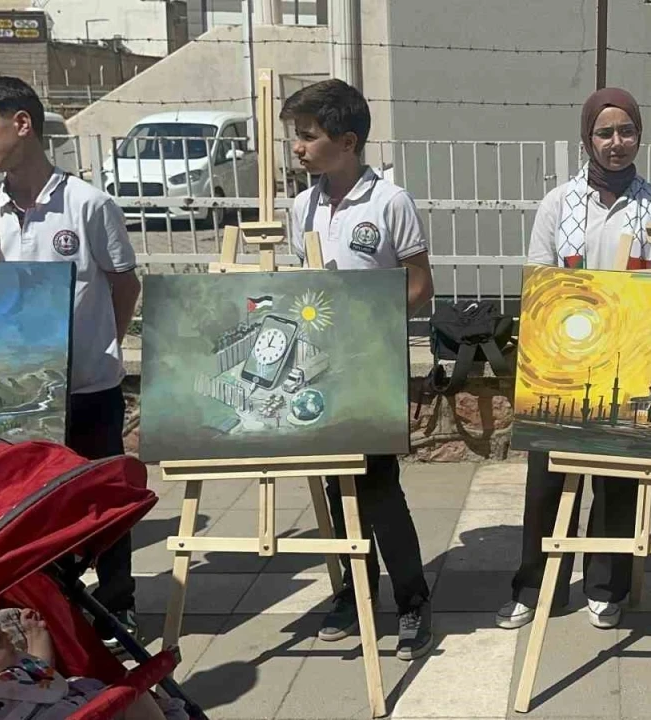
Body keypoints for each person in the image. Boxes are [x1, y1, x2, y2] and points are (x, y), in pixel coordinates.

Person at [0, 77, 141, 645]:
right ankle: (45, 615)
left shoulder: (89, 205)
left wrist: (101, 345)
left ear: (21, 124)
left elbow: (123, 284)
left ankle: (118, 606)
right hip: (18, 400)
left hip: (88, 387)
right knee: (30, 511)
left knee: (98, 498)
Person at [495, 87, 651, 631]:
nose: (616, 143)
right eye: (605, 133)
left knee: (616, 481)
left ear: (639, 136)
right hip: (564, 362)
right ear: (587, 139)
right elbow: (538, 279)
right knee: (548, 479)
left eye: (626, 131)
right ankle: (536, 585)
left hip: (628, 363)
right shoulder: (560, 202)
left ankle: (605, 585)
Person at [282, 79, 434, 659]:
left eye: (308, 136)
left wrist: (370, 326)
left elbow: (419, 284)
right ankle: (354, 592)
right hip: (317, 372)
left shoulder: (390, 202)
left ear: (347, 142)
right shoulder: (302, 207)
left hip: (371, 366)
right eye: (296, 137)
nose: (298, 148)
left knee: (378, 487)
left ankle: (412, 598)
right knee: (334, 484)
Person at [0, 609, 169, 719]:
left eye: (1, 631)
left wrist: (37, 635)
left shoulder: (17, 665)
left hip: (84, 710)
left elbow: (44, 676)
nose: (7, 636)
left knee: (131, 694)